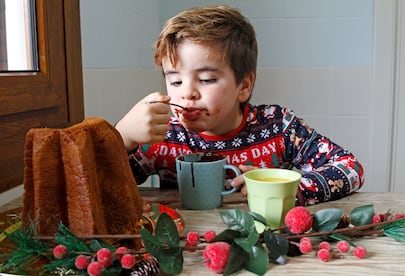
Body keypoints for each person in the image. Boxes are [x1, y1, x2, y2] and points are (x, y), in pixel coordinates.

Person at [115, 5, 364, 206]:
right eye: (176, 80)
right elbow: (103, 189)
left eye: (206, 79)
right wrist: (123, 137)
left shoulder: (279, 127)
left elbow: (351, 169)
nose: (187, 93)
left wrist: (287, 189)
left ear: (243, 86)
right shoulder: (163, 137)